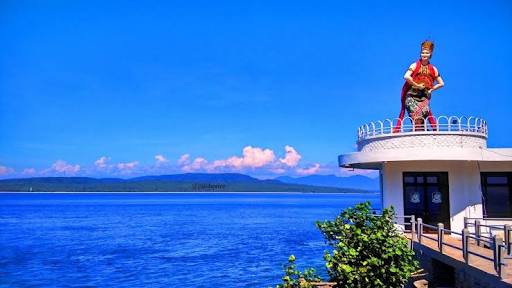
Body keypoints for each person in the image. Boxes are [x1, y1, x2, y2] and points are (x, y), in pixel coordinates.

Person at [394, 40, 445, 132]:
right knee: (415, 117)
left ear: (430, 54)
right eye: (422, 52)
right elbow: (406, 76)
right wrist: (416, 85)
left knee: (421, 117)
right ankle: (419, 134)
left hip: (424, 97)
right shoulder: (414, 65)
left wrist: (431, 90)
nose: (424, 54)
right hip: (411, 96)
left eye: (426, 53)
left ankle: (422, 133)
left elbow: (441, 83)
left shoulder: (433, 69)